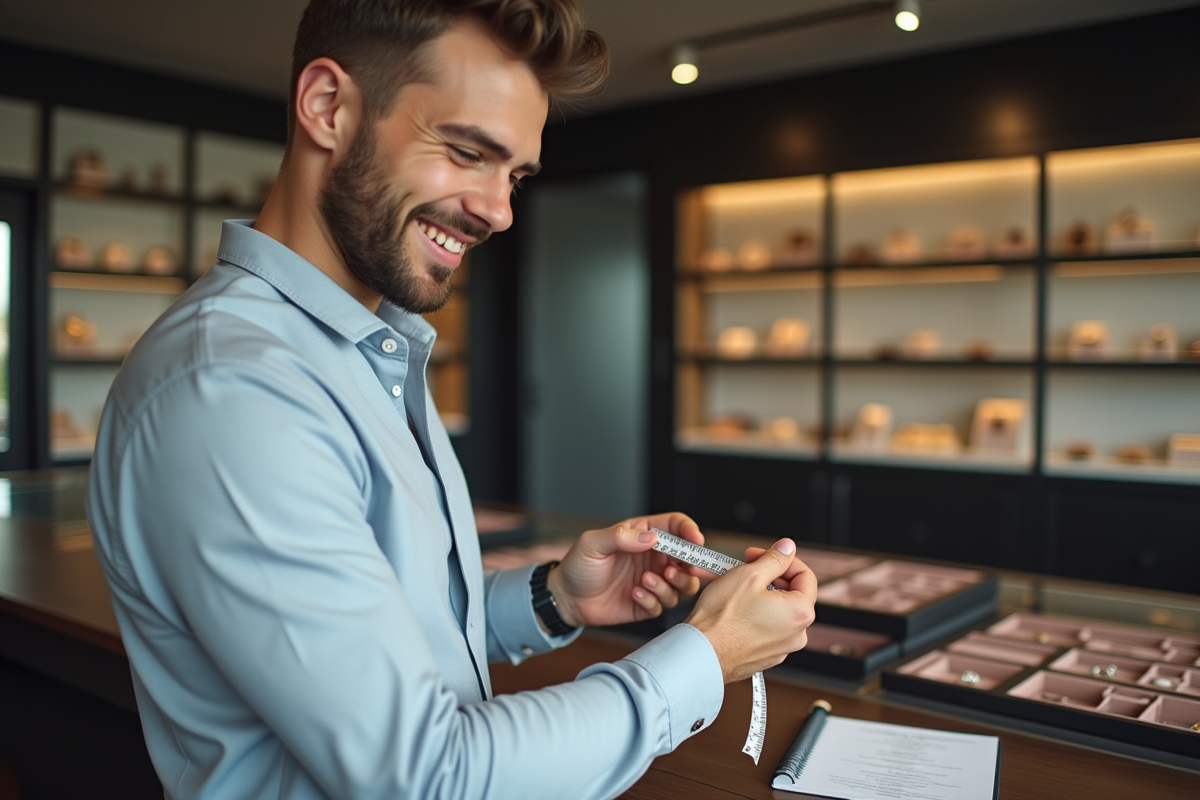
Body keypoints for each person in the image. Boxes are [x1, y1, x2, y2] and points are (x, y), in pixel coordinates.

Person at [85, 1, 817, 798]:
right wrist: (705, 658)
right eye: (468, 152)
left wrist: (551, 599)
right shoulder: (232, 388)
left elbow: (389, 635)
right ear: (328, 108)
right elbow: (429, 777)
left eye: (514, 175)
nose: (499, 210)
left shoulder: (366, 347)